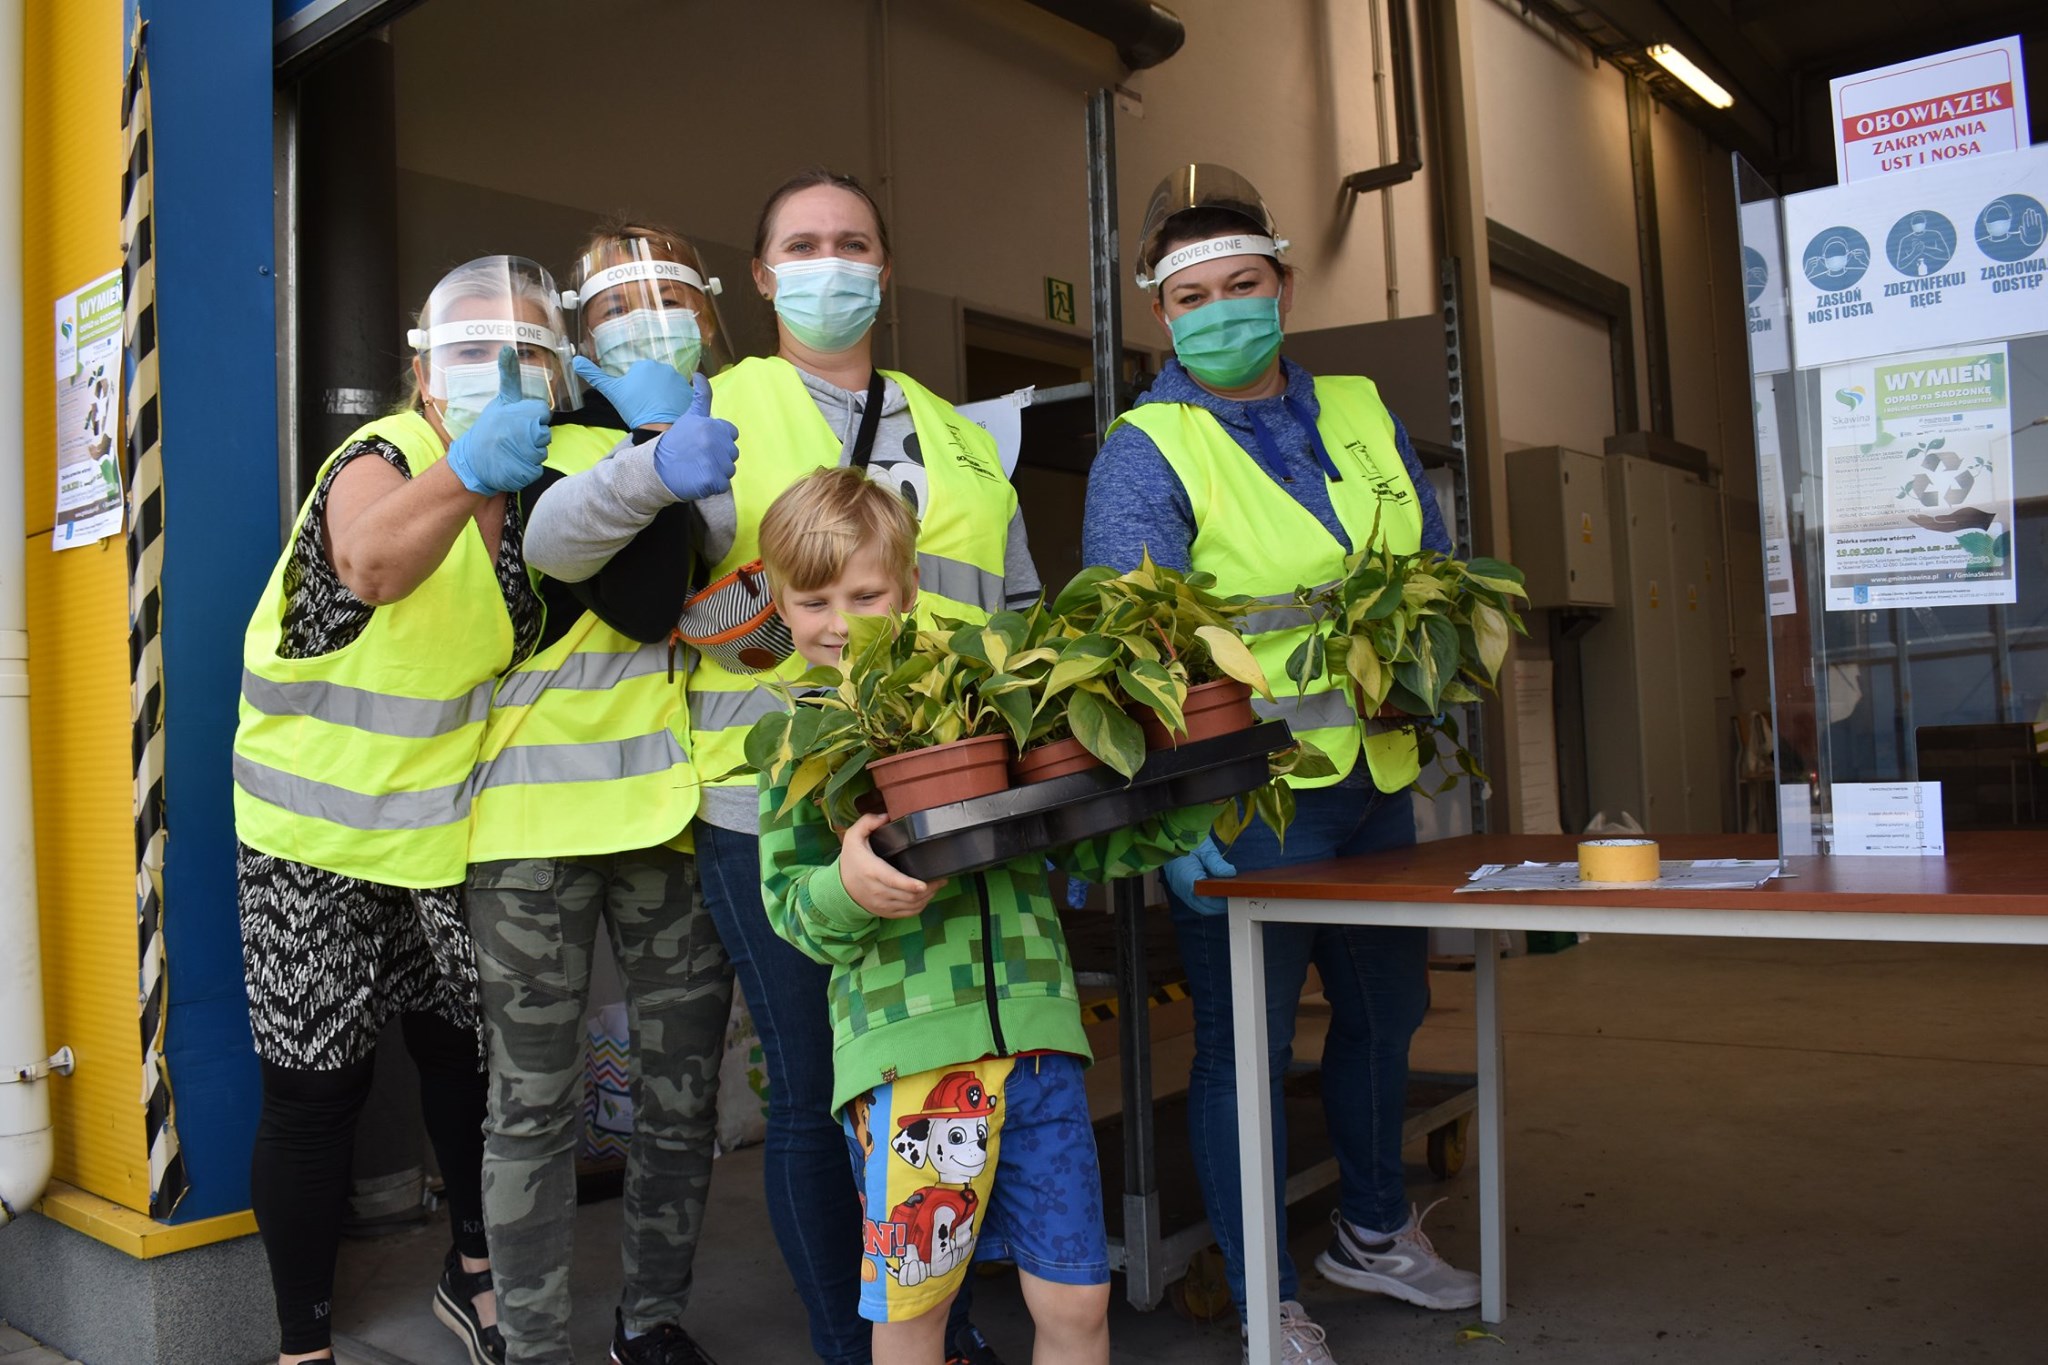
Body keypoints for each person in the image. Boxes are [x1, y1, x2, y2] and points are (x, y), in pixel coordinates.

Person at [525, 170, 1034, 1365]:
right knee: (823, 1093)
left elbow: (1017, 611)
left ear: (885, 267)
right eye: (800, 245)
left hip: (947, 800)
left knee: (938, 1082)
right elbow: (558, 544)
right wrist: (653, 465)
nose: (829, 263)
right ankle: (851, 1347)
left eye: (852, 242)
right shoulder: (712, 410)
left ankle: (934, 1331)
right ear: (758, 278)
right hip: (775, 810)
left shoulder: (958, 434)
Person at [1081, 165, 1478, 1364]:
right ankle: (1264, 1297)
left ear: (1284, 288)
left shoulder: (1358, 409)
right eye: (1191, 297)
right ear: (1163, 315)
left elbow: (1438, 568)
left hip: (1378, 779)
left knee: (1383, 1008)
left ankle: (1367, 1228)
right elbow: (1130, 648)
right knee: (1240, 1046)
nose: (1219, 312)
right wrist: (1173, 808)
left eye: (1240, 286)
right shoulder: (1147, 448)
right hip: (1250, 800)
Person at [754, 467, 1216, 1365]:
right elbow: (791, 909)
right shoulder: (799, 744)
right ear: (780, 601)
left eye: (865, 593)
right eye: (810, 600)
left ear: (912, 585)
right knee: (916, 1314)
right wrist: (848, 887)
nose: (838, 621)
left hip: (1040, 1049)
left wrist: (1186, 802)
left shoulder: (981, 706)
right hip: (913, 1063)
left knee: (1079, 1299)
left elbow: (1081, 847)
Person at [232, 254, 570, 1365]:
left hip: (437, 840)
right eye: (471, 349)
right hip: (310, 839)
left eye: (527, 349)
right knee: (317, 1092)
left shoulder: (530, 497)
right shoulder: (382, 458)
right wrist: (462, 474)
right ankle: (301, 1345)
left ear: (558, 376)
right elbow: (371, 563)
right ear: (423, 373)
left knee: (463, 1062)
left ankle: (471, 1274)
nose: (500, 368)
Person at [465, 224, 738, 1365]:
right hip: (527, 828)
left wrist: (672, 444)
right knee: (531, 1107)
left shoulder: (711, 442)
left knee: (680, 1097)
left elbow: (703, 569)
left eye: (670, 304)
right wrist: (649, 447)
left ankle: (650, 1321)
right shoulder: (535, 445)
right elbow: (620, 590)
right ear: (577, 342)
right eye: (623, 313)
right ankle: (529, 1343)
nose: (650, 327)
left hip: (663, 818)